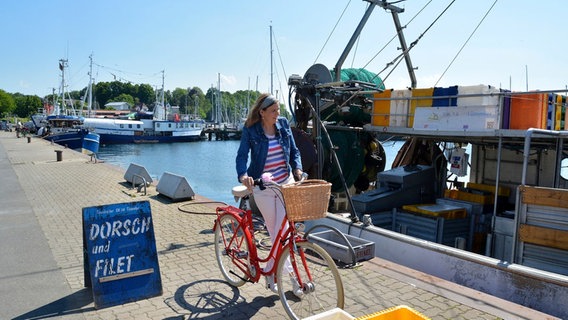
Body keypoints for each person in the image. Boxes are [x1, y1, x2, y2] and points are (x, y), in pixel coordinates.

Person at [236, 93, 304, 295]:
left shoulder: (283, 124)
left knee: (282, 233)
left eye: (278, 110)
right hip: (263, 187)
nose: (278, 114)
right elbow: (241, 156)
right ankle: (291, 279)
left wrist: (297, 169)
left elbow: (295, 152)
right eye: (273, 111)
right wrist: (243, 176)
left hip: (285, 183)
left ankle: (270, 271)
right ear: (262, 112)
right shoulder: (251, 129)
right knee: (277, 233)